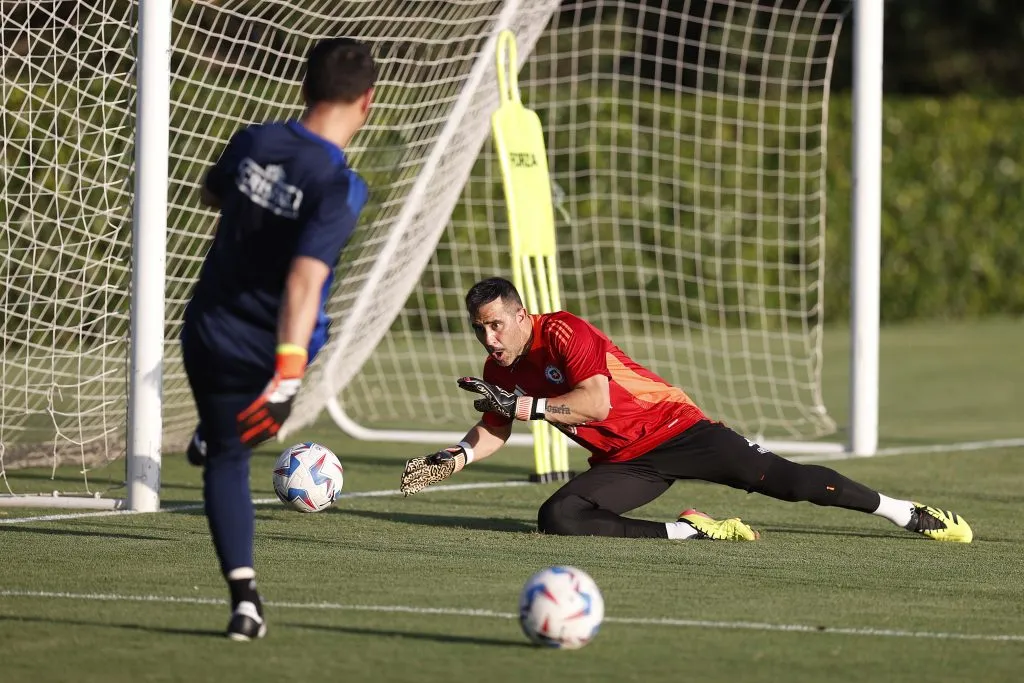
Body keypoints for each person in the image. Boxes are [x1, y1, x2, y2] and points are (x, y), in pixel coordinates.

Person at [400, 277, 973, 545]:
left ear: (523, 316)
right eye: (481, 328)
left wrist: (529, 406)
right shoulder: (500, 368)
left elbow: (594, 403)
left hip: (679, 431)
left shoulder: (565, 332)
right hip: (628, 461)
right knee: (559, 518)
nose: (490, 337)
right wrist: (456, 456)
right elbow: (495, 426)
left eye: (497, 324)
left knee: (789, 481)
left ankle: (905, 512)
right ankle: (690, 531)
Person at [180, 37, 376, 641]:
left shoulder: (254, 140)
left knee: (224, 456)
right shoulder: (340, 184)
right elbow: (303, 280)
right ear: (367, 101)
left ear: (303, 88)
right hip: (265, 349)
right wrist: (289, 377)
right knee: (234, 450)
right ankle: (220, 434)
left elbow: (211, 191)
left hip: (205, 328)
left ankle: (245, 599)